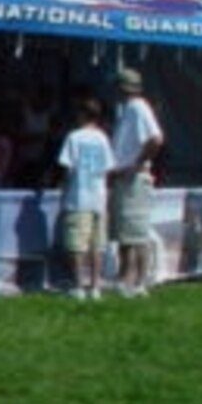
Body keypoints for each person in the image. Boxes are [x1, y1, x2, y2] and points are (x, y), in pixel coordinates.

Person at [108, 66, 165, 297]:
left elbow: (156, 139)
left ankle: (140, 281)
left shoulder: (139, 108)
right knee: (125, 233)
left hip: (134, 177)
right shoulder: (129, 109)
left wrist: (137, 163)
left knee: (137, 232)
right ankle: (124, 278)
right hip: (123, 176)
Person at [56, 95, 115, 300]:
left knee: (77, 244)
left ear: (81, 114)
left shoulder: (74, 137)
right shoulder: (103, 138)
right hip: (99, 197)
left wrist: (62, 190)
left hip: (79, 195)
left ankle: (79, 285)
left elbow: (67, 167)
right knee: (96, 245)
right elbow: (108, 168)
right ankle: (96, 285)